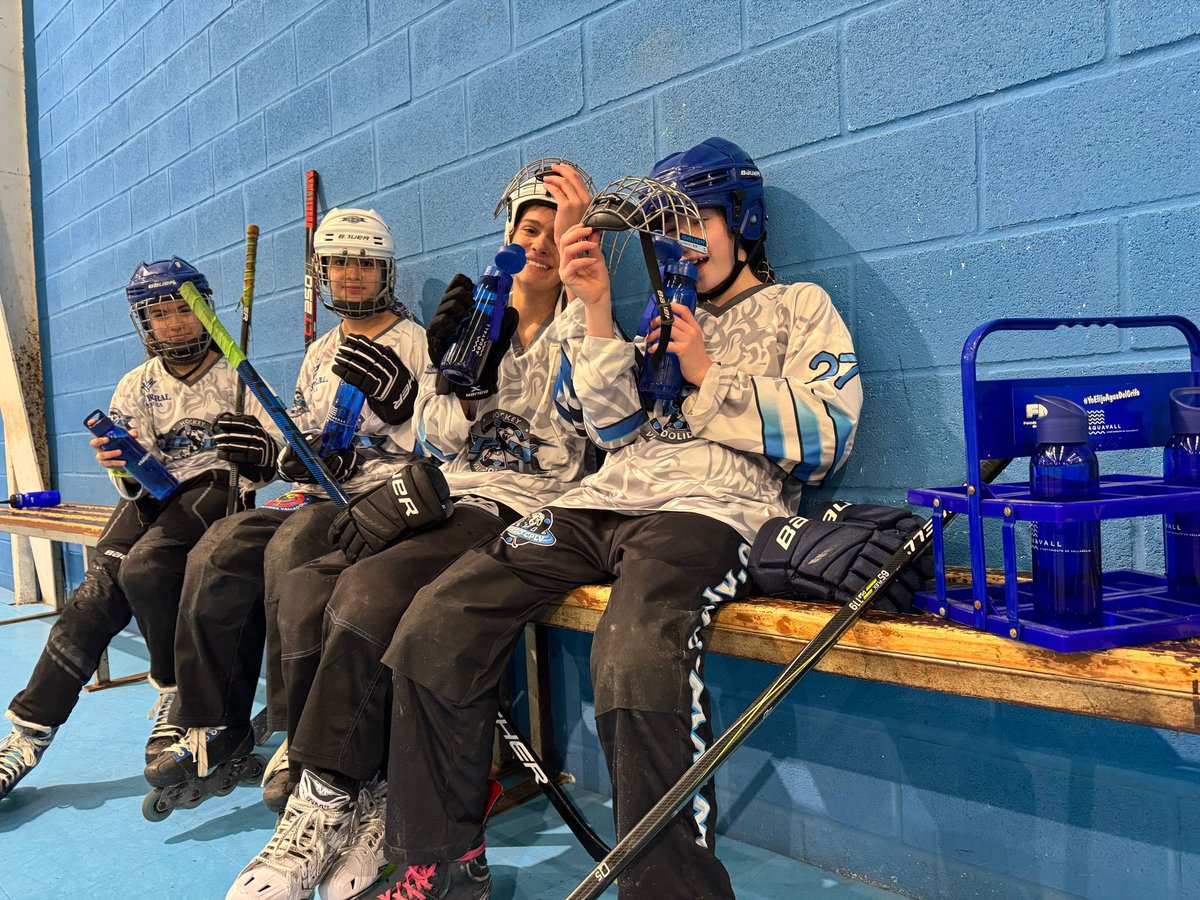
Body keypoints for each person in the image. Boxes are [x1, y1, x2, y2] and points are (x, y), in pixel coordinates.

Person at [376, 137, 864, 899]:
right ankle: (439, 861)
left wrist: (708, 374)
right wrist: (596, 309)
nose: (680, 244)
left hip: (708, 515)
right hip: (598, 505)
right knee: (438, 614)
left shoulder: (798, 308)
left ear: (745, 221)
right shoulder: (654, 324)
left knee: (632, 653)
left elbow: (826, 440)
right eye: (665, 232)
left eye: (696, 222)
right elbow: (610, 433)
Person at [224, 159, 596, 900]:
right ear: (510, 237)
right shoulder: (473, 321)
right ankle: (358, 787)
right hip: (445, 495)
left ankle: (329, 797)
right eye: (531, 227)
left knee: (369, 594)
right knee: (306, 586)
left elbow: (593, 425)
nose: (544, 243)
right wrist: (466, 368)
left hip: (519, 508)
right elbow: (439, 436)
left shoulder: (584, 322)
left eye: (560, 230)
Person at [143, 209, 428, 811]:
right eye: (338, 263)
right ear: (321, 272)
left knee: (291, 546)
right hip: (319, 493)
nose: (350, 275)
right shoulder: (321, 350)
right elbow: (300, 425)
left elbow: (439, 443)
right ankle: (214, 721)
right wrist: (272, 452)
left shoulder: (418, 342)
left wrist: (406, 415)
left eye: (364, 263)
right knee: (219, 544)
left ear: (386, 271)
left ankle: (294, 730)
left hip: (374, 503)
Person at [0, 258, 277, 802]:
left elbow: (276, 458)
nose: (174, 324)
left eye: (183, 311)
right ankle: (27, 733)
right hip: (156, 499)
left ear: (205, 312)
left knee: (149, 568)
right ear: (142, 323)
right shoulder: (137, 384)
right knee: (94, 595)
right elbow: (134, 480)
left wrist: (262, 454)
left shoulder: (239, 375)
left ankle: (174, 695)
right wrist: (119, 464)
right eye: (160, 314)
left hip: (214, 492)